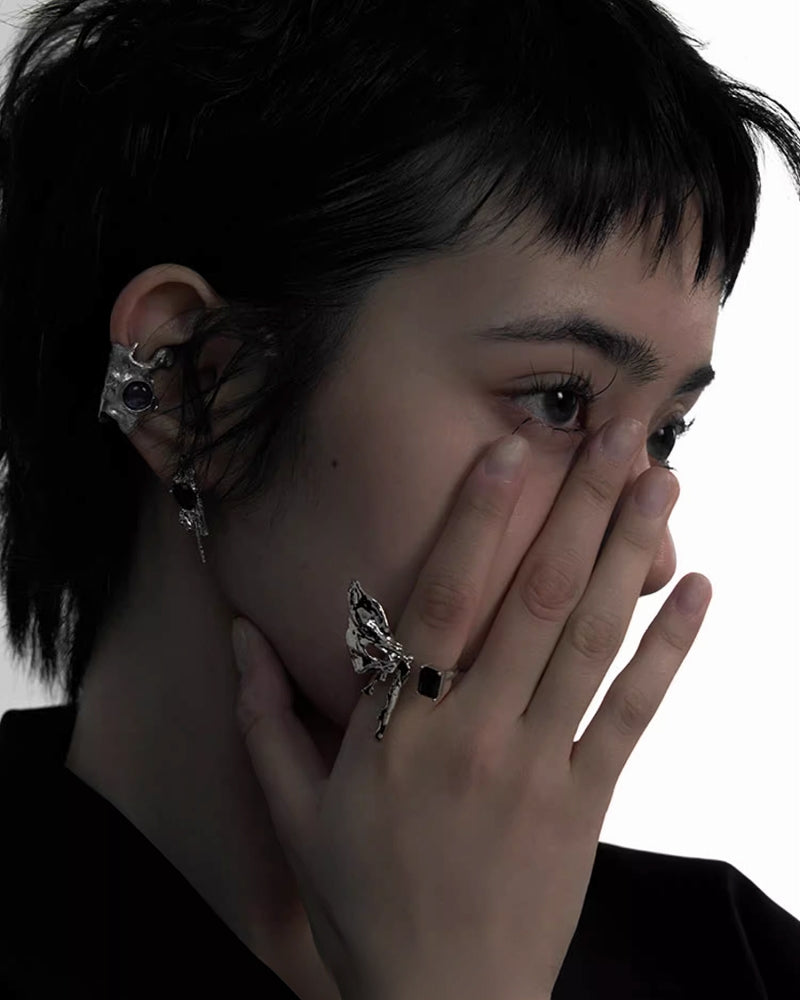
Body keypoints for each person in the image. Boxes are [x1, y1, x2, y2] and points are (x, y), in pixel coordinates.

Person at [0, 0, 799, 997]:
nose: (645, 556)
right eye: (559, 401)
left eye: (665, 432)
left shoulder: (736, 964)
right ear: (191, 384)